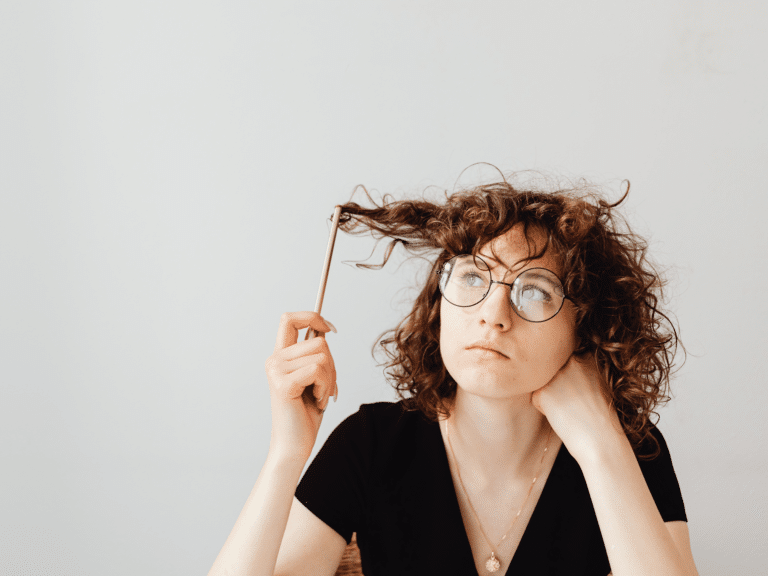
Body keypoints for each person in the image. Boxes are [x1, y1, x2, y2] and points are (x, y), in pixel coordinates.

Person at [207, 176, 699, 576]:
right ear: (439, 305)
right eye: (472, 277)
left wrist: (599, 445)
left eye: (535, 291)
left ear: (586, 328)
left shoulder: (630, 448)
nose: (493, 313)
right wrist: (286, 453)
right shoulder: (373, 443)